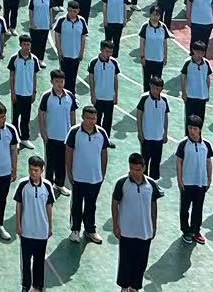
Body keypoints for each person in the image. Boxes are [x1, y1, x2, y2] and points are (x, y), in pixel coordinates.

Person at [111, 152, 159, 292]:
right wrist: (116, 226)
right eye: (132, 169)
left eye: (137, 169)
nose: (135, 172)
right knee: (125, 261)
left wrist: (154, 226)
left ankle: (135, 287)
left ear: (143, 168)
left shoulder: (151, 185)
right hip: (126, 230)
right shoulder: (122, 183)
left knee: (141, 262)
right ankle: (124, 287)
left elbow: (154, 205)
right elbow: (115, 204)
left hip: (145, 231)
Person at [65, 106, 109, 243]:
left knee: (91, 205)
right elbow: (69, 152)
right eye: (88, 118)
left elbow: (104, 154)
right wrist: (70, 172)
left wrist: (102, 173)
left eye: (93, 118)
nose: (91, 121)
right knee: (77, 204)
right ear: (83, 117)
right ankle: (75, 230)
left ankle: (90, 230)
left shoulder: (101, 133)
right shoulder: (74, 132)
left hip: (95, 178)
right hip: (78, 176)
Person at [13, 154, 55, 292]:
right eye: (31, 169)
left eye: (36, 170)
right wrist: (18, 224)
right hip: (26, 230)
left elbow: (49, 207)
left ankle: (39, 285)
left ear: (42, 170)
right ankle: (26, 285)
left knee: (39, 260)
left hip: (41, 231)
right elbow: (19, 204)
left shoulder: (47, 186)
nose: (33, 173)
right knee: (25, 261)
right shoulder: (23, 184)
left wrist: (50, 226)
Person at [175, 117, 213, 243]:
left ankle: (195, 230)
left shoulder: (206, 145)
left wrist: (209, 179)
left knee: (198, 208)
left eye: (195, 129)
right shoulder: (183, 144)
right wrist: (180, 179)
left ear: (200, 130)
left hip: (201, 182)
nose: (192, 131)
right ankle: (186, 231)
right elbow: (179, 162)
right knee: (185, 208)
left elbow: (208, 162)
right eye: (190, 128)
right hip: (187, 182)